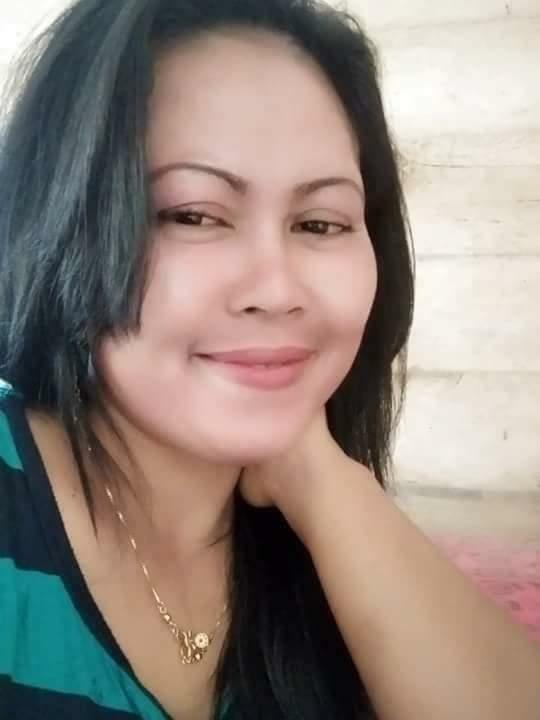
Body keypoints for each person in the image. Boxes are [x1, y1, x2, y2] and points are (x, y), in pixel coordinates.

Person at [0, 0, 538, 718]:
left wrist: (317, 475)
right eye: (193, 214)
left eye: (320, 223)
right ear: (62, 220)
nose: (278, 290)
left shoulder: (321, 539)